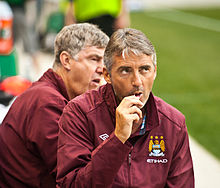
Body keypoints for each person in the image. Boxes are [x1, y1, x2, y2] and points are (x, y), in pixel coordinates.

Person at [57, 28, 195, 187]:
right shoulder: (79, 113)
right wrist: (117, 139)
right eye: (125, 70)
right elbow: (72, 185)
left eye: (145, 69)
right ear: (107, 75)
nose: (137, 81)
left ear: (155, 71)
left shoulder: (173, 124)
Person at [0, 23, 109, 187]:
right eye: (94, 59)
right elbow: (78, 180)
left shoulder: (48, 95)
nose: (102, 69)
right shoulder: (48, 102)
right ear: (66, 60)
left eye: (104, 61)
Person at [64, 0, 130, 37]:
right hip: (84, 17)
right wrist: (70, 19)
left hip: (109, 17)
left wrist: (123, 14)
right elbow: (70, 2)